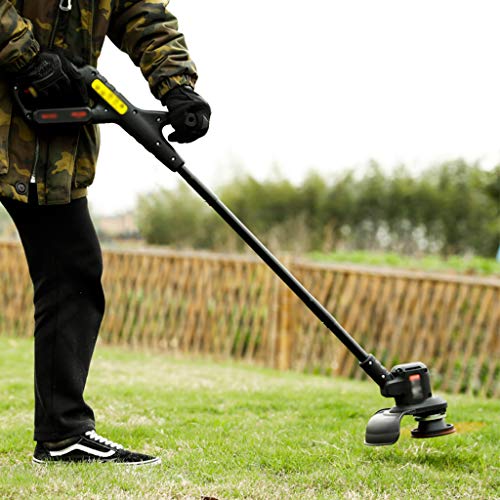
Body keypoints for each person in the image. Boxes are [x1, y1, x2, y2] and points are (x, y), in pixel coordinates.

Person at [0, 0, 211, 465]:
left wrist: (178, 86)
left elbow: (143, 13)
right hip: (15, 99)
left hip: (44, 138)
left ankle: (63, 434)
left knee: (73, 271)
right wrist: (26, 58)